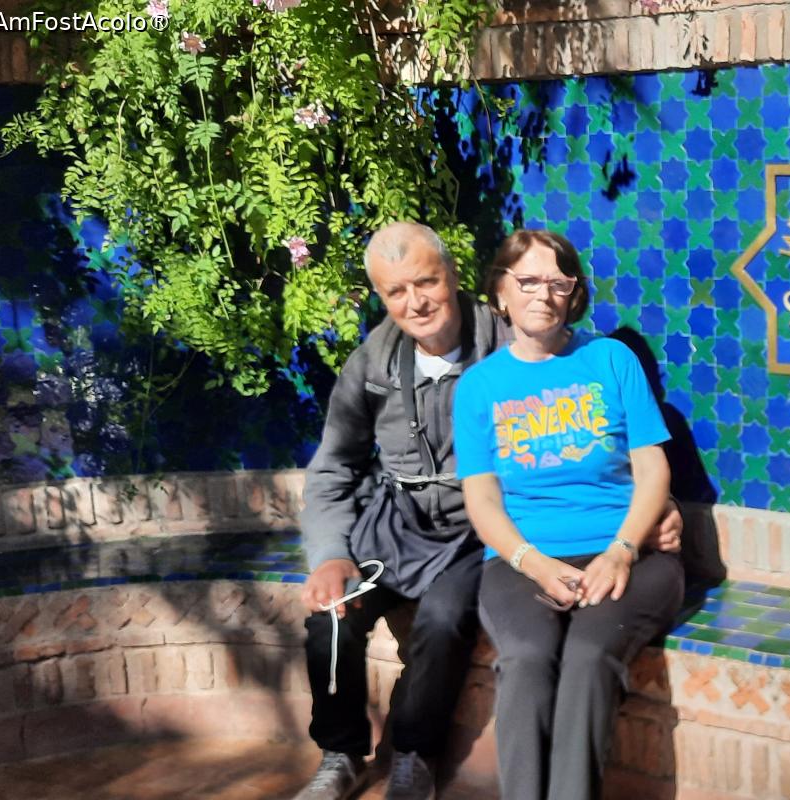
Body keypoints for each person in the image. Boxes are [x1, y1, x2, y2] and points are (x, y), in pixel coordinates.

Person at [294, 222, 682, 800]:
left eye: (426, 282)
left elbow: (622, 448)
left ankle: (416, 753)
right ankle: (340, 752)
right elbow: (333, 468)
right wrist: (330, 554)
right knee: (332, 615)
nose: (415, 302)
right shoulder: (374, 365)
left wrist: (653, 514)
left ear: (455, 278)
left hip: (474, 539)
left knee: (446, 616)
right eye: (396, 291)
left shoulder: (516, 337)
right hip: (407, 528)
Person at [454, 230, 686, 800]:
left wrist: (622, 550)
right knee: (528, 658)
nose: (544, 294)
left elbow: (653, 469)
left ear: (574, 293)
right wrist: (534, 564)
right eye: (528, 281)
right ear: (499, 292)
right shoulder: (479, 387)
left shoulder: (611, 360)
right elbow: (482, 500)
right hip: (522, 561)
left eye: (559, 283)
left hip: (631, 553)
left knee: (588, 655)